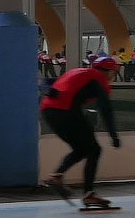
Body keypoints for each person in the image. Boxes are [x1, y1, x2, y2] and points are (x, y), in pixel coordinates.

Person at [41, 56, 122, 209]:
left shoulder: (78, 72)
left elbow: (52, 85)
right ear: (108, 71)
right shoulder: (98, 78)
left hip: (48, 111)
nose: (113, 76)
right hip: (65, 110)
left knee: (82, 149)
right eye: (113, 72)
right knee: (95, 150)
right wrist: (113, 134)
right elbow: (105, 108)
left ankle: (57, 176)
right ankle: (88, 194)